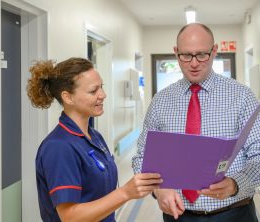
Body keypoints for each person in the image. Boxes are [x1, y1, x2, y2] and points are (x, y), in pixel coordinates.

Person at [132, 23, 260, 222]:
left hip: (234, 213)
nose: (194, 63)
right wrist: (159, 189)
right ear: (176, 53)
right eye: (186, 55)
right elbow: (141, 157)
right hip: (179, 216)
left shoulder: (241, 96)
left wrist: (236, 184)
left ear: (214, 51)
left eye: (202, 54)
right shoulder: (161, 101)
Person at [27, 57, 162, 222]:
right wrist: (126, 192)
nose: (103, 95)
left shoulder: (94, 136)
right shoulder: (59, 147)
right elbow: (70, 217)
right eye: (93, 91)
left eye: (102, 87)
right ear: (68, 97)